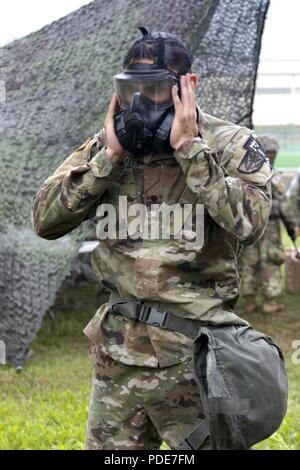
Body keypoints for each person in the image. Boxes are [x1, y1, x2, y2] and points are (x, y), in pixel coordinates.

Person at [31, 28, 272, 450]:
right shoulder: (109, 145)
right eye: (131, 89)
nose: (141, 102)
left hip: (197, 360)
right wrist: (108, 158)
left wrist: (190, 150)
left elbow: (250, 225)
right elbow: (45, 219)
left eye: (156, 89)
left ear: (187, 86)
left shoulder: (229, 145)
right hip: (118, 358)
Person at [240, 134, 300, 314]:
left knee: (255, 261)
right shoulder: (273, 175)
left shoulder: (245, 171)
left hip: (251, 226)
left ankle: (252, 301)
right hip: (263, 227)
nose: (272, 155)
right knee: (265, 262)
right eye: (270, 152)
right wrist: (293, 225)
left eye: (274, 152)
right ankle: (266, 302)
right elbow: (282, 204)